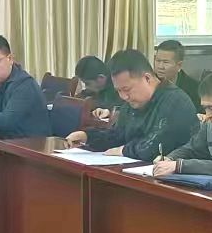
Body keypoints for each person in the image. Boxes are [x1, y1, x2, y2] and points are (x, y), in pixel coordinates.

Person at [67, 49, 199, 160]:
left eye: (127, 89)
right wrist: (87, 136)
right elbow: (118, 135)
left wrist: (124, 150)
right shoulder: (132, 103)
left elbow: (155, 147)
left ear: (147, 78)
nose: (123, 97)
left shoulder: (176, 101)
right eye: (118, 91)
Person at [153, 40, 202, 108]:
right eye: (158, 61)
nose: (160, 66)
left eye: (166, 62)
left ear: (179, 65)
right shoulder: (147, 83)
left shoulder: (195, 90)